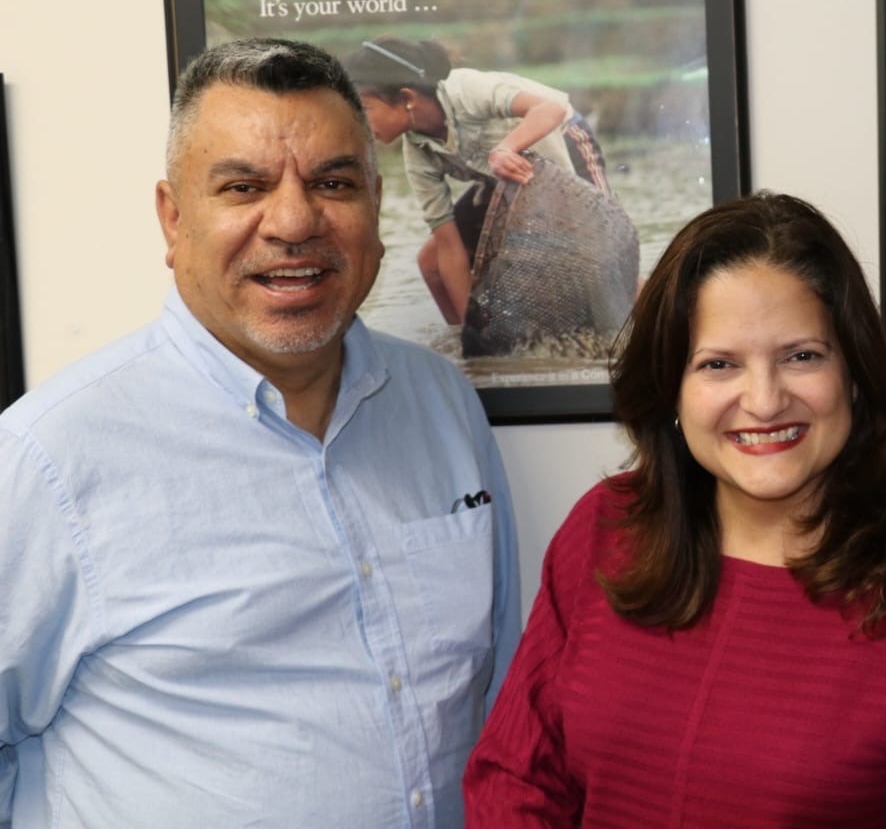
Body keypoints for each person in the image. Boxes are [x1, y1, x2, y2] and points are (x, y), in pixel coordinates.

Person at [0, 39, 520, 826]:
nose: (293, 221)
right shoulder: (49, 458)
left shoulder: (441, 404)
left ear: (377, 203)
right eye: (243, 185)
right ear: (173, 218)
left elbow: (501, 698)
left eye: (333, 183)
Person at [463, 192, 886, 827]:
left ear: (852, 373)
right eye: (719, 365)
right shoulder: (603, 534)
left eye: (801, 356)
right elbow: (515, 780)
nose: (764, 401)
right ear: (672, 389)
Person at [342, 36, 613, 326]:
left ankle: (651, 321)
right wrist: (471, 340)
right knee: (432, 264)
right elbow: (449, 247)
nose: (358, 124)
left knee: (600, 254)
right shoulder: (418, 154)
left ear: (407, 99)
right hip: (504, 174)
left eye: (365, 110)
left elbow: (550, 110)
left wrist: (506, 148)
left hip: (562, 139)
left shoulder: (467, 91)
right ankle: (466, 332)